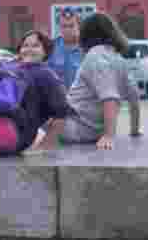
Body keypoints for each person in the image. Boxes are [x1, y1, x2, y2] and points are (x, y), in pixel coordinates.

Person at [34, 12, 141, 151]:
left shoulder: (94, 57)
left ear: (85, 34)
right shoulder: (119, 59)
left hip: (72, 126)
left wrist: (109, 135)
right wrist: (134, 129)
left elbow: (109, 97)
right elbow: (134, 98)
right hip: (94, 132)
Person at [47, 9, 84, 89]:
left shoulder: (87, 48)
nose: (67, 30)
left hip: (81, 99)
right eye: (64, 26)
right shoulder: (51, 48)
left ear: (79, 26)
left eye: (71, 26)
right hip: (58, 98)